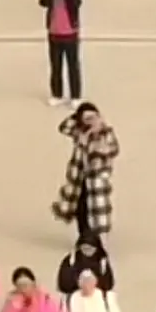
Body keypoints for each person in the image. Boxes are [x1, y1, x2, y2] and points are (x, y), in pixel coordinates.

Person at [53, 103, 120, 240]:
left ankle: (94, 238)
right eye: (87, 118)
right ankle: (83, 237)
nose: (91, 121)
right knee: (80, 209)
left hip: (96, 179)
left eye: (93, 117)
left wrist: (100, 144)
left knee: (96, 209)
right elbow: (63, 127)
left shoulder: (105, 133)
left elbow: (114, 149)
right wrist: (77, 117)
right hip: (79, 177)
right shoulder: (79, 131)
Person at [40, 0, 84, 104]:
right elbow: (42, 2)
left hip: (70, 35)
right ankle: (57, 94)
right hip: (54, 35)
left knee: (73, 66)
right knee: (56, 66)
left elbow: (77, 3)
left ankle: (75, 96)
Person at [57, 230, 115, 298]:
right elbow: (63, 284)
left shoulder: (102, 261)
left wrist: (94, 284)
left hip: (97, 298)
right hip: (75, 297)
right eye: (84, 248)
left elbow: (109, 285)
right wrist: (79, 284)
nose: (87, 252)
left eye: (90, 249)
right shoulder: (71, 261)